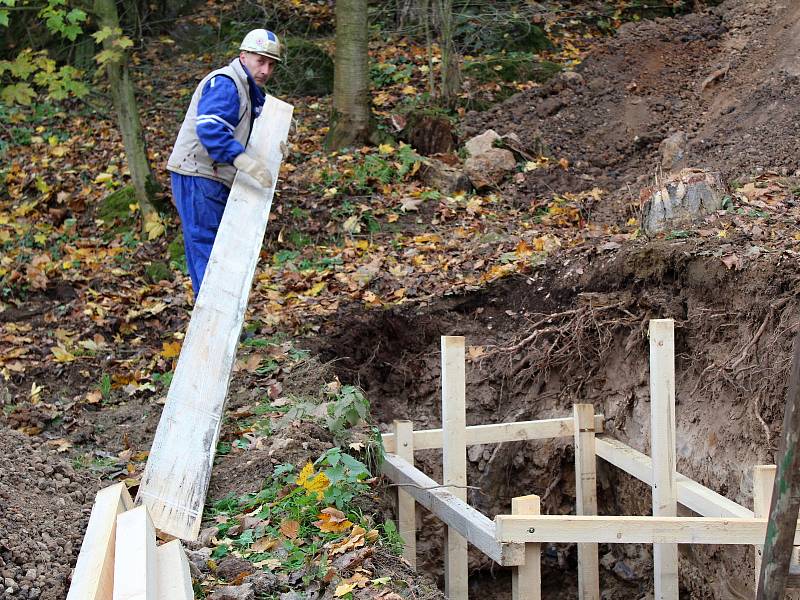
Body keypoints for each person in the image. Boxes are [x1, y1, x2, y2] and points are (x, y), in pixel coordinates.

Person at [167, 28, 285, 296]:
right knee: (209, 250)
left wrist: (270, 149)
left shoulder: (247, 90)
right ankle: (211, 325)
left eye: (271, 64)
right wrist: (243, 161)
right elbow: (210, 128)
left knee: (220, 251)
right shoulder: (225, 83)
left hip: (214, 176)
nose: (266, 70)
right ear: (243, 57)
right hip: (198, 174)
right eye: (260, 61)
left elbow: (240, 135)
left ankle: (218, 321)